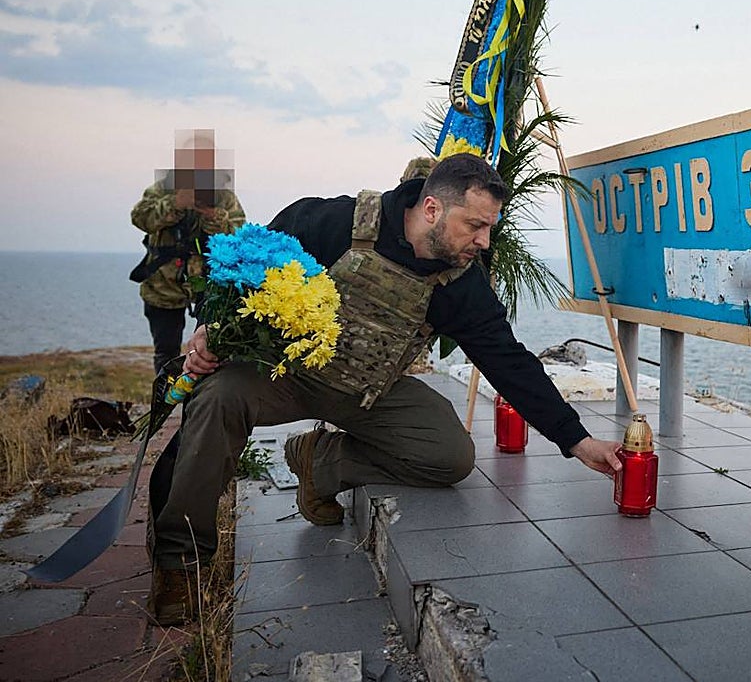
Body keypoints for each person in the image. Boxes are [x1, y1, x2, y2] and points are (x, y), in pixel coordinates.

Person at [147, 153, 623, 624]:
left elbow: (509, 362)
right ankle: (180, 564)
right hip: (283, 374)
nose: (483, 240)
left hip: (367, 390)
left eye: (489, 228)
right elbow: (240, 267)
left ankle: (321, 461)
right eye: (475, 225)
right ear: (432, 208)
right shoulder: (331, 223)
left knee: (450, 455)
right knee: (216, 398)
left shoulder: (460, 283)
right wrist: (209, 327)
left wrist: (576, 440)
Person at [130, 130, 245, 376]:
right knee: (166, 353)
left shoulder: (223, 196)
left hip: (209, 286)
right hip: (163, 286)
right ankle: (166, 395)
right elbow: (140, 218)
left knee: (209, 350)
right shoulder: (163, 190)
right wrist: (175, 204)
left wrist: (214, 216)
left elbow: (238, 235)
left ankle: (199, 396)